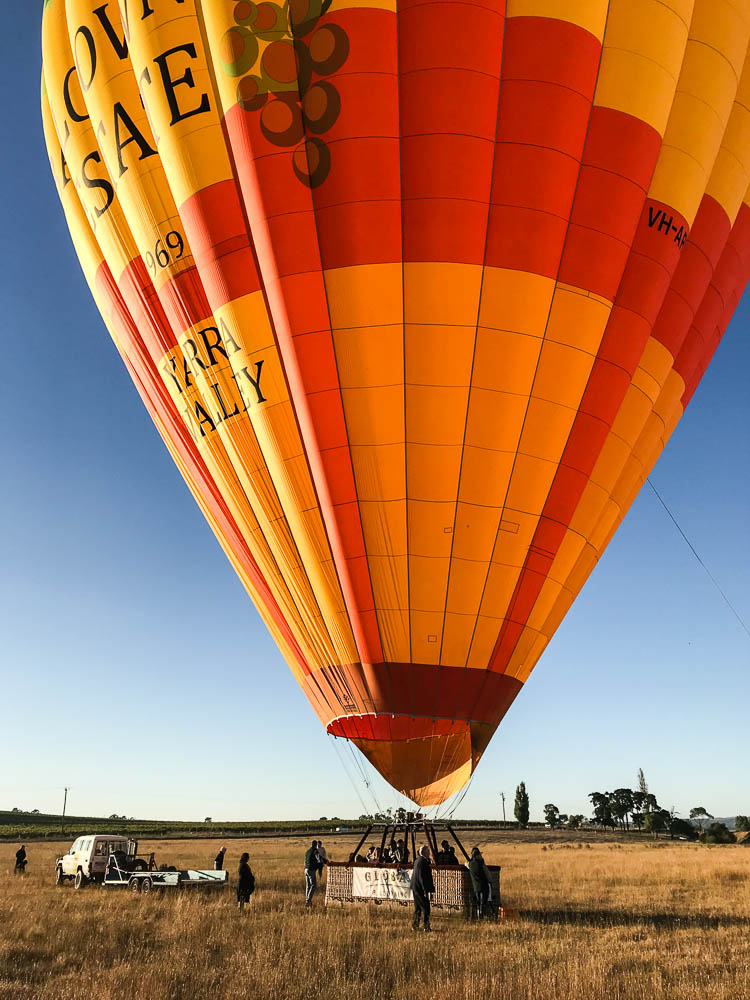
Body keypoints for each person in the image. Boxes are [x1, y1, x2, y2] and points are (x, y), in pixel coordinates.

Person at [409, 845, 435, 932]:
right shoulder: (423, 862)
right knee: (426, 908)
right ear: (424, 852)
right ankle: (426, 926)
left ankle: (415, 925)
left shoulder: (417, 861)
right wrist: (425, 891)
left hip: (415, 887)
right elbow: (422, 877)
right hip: (420, 888)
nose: (429, 853)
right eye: (428, 851)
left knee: (418, 908)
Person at [467, 847, 490, 918]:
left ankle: (479, 915)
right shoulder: (480, 864)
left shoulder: (470, 864)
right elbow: (486, 873)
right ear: (477, 856)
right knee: (483, 902)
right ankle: (482, 915)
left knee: (478, 902)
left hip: (476, 886)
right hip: (483, 885)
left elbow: (467, 864)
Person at [304, 840, 324, 906]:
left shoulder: (308, 851)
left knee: (308, 886)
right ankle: (308, 901)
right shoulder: (315, 851)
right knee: (313, 885)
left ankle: (307, 900)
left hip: (306, 869)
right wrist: (322, 864)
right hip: (311, 870)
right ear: (315, 845)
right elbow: (318, 859)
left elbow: (305, 861)